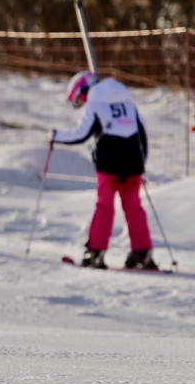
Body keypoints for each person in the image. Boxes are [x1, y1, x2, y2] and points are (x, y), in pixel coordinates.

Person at [51, 70, 157, 270]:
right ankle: (142, 252)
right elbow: (143, 135)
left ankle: (96, 252)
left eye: (80, 97)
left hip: (109, 164)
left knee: (105, 207)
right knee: (134, 207)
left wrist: (56, 136)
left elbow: (81, 134)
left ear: (86, 88)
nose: (82, 102)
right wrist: (141, 163)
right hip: (133, 164)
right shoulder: (129, 104)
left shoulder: (94, 105)